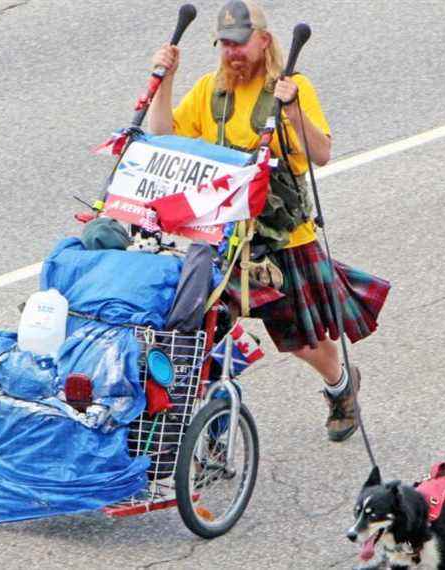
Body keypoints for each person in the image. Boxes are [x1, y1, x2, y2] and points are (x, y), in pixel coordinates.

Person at [148, 0, 390, 442]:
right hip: (225, 234)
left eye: (239, 43)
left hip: (282, 237)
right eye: (224, 44)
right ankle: (212, 418)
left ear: (264, 41)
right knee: (200, 324)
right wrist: (166, 81)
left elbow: (321, 153)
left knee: (301, 341)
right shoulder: (209, 90)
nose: (232, 53)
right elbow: (163, 137)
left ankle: (341, 386)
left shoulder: (291, 86)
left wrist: (294, 108)